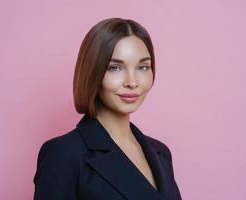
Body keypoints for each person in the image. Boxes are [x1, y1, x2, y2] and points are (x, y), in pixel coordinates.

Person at [33, 18, 182, 200]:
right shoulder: (63, 154)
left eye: (143, 67)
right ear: (93, 72)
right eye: (115, 68)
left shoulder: (161, 153)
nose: (132, 82)